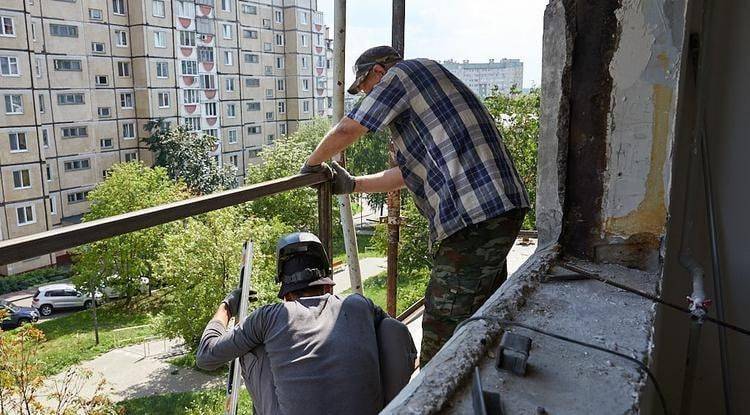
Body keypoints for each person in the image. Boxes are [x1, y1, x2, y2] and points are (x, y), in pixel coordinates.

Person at [300, 46, 529, 367]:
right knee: (483, 307)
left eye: (365, 86)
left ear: (379, 72)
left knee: (442, 324)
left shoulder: (402, 74)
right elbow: (408, 174)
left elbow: (348, 128)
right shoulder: (427, 98)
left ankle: (436, 398)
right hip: (496, 208)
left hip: (475, 216)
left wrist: (312, 164)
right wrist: (354, 184)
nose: (365, 94)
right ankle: (485, 376)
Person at [196, 232, 416, 415]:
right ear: (328, 286)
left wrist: (227, 306)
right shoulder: (359, 304)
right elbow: (396, 341)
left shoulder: (269, 317)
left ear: (286, 294)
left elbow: (206, 357)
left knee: (251, 345)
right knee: (392, 329)